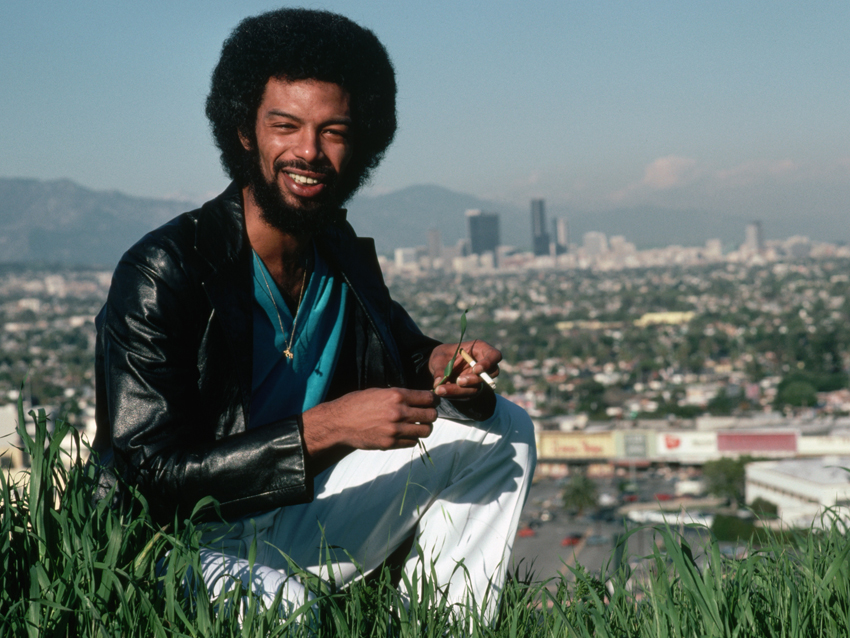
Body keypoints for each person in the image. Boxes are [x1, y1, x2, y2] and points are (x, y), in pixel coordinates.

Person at [92, 7, 535, 618]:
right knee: (292, 612)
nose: (309, 151)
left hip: (294, 512)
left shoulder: (338, 251)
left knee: (503, 431)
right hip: (173, 543)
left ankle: (441, 624)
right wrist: (326, 428)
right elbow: (151, 476)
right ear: (245, 132)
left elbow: (403, 351)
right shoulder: (165, 271)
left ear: (361, 143)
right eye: (285, 126)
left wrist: (445, 364)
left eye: (334, 131)